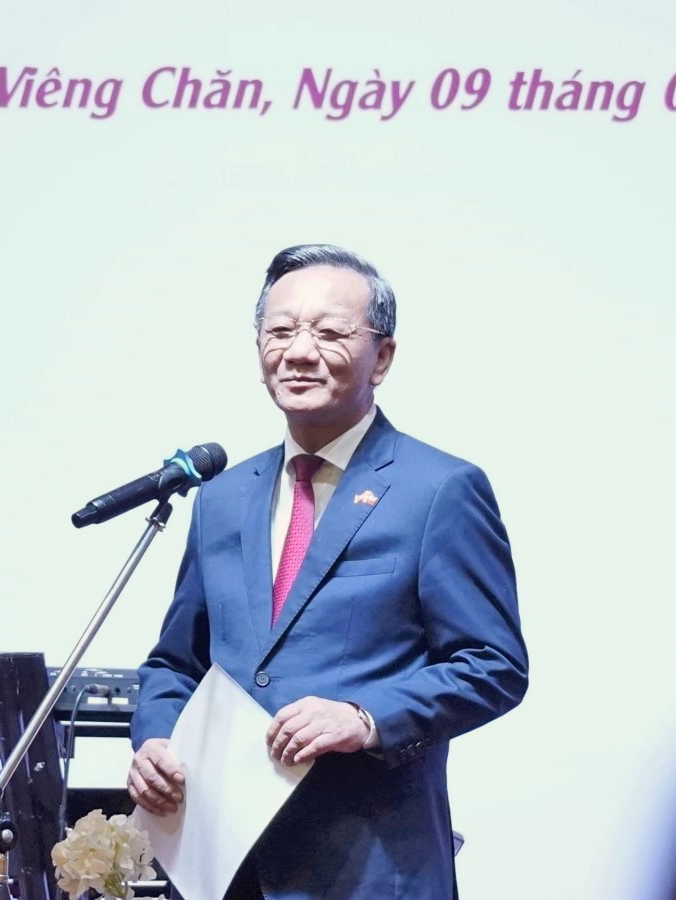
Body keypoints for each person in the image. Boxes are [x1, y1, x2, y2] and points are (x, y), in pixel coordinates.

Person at [127, 244, 529, 899]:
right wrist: (155, 740)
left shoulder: (439, 489)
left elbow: (493, 665)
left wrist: (365, 717)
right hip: (221, 870)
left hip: (369, 870)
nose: (299, 351)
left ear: (383, 357)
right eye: (280, 330)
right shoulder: (221, 497)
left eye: (330, 333)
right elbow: (177, 664)